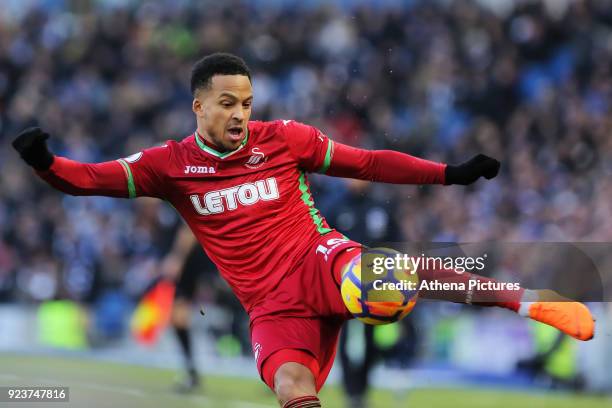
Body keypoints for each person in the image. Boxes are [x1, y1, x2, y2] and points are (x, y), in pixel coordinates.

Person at [12, 52, 595, 408]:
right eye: (226, 103)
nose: (240, 113)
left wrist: (450, 174)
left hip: (321, 260)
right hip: (270, 307)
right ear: (197, 106)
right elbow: (86, 179)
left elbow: (366, 162)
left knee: (381, 276)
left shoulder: (283, 138)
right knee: (292, 386)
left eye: (246, 101)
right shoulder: (168, 166)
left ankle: (527, 300)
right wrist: (46, 163)